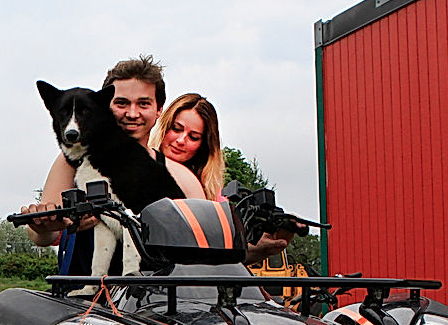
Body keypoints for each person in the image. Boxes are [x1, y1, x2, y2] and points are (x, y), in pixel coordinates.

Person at [22, 56, 204, 272]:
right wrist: (44, 225)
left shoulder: (182, 178)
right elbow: (41, 236)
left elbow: (203, 247)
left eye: (143, 104)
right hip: (88, 300)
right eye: (121, 103)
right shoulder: (69, 163)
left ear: (159, 110)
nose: (132, 113)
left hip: (161, 297)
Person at [152, 93, 297, 265]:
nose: (181, 140)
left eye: (193, 137)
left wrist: (260, 249)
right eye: (176, 129)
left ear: (204, 146)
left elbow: (216, 260)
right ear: (163, 126)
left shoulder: (212, 197)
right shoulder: (133, 171)